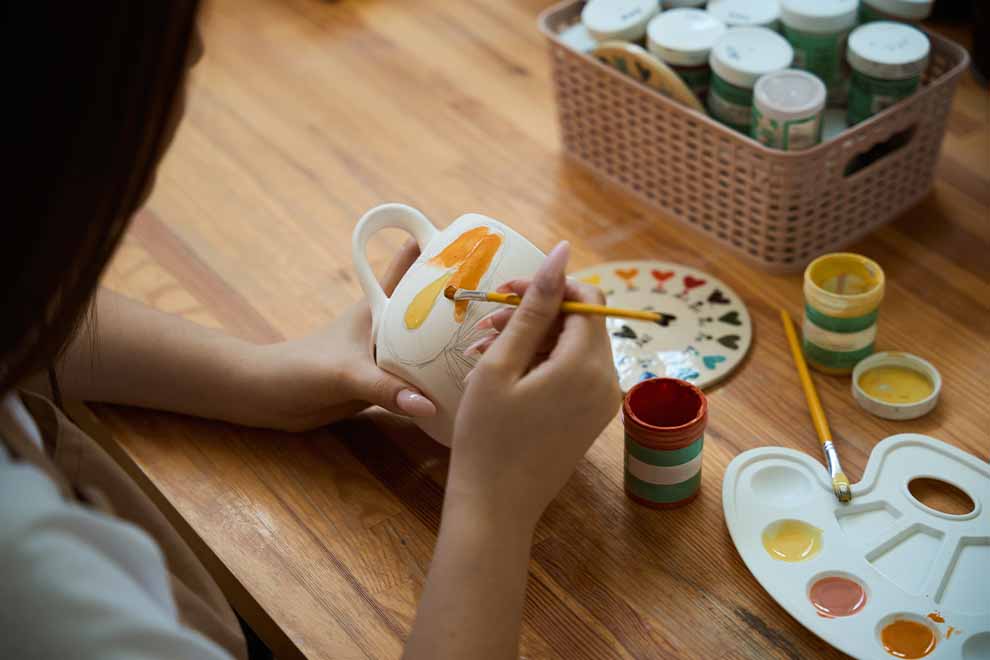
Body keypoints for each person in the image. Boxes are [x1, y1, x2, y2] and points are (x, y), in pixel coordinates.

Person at [0, 3, 622, 659]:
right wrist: (494, 512)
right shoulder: (36, 588)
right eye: (178, 27)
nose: (197, 53)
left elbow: (22, 315)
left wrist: (251, 377)